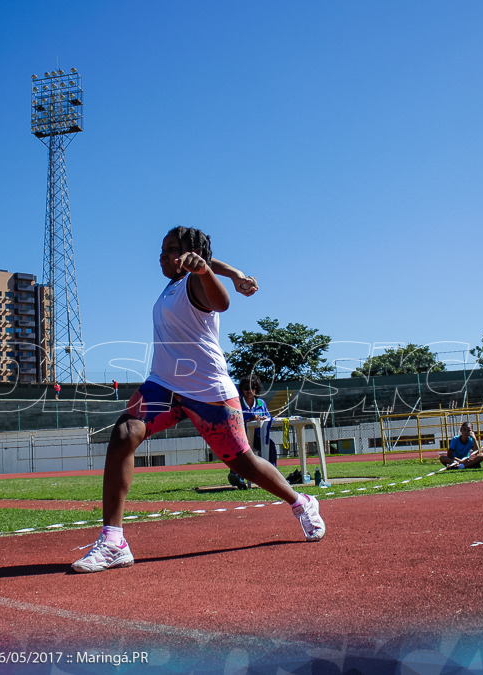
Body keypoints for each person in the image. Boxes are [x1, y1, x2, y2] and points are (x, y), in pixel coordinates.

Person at [72, 226, 325, 573]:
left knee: (243, 463)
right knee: (123, 434)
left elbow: (222, 302)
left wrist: (206, 270)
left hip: (208, 392)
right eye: (162, 249)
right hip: (163, 385)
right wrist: (234, 271)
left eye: (171, 249)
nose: (162, 255)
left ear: (191, 256)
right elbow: (212, 264)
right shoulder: (174, 283)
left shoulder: (194, 283)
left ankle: (301, 502)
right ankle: (114, 541)